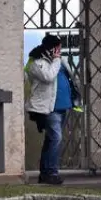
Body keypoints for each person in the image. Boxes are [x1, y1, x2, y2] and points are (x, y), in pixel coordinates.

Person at [24, 33, 78, 186]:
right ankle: (52, 173)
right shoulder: (37, 62)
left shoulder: (59, 60)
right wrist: (56, 60)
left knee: (51, 139)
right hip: (49, 108)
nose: (60, 51)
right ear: (51, 48)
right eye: (58, 48)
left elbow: (70, 77)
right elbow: (48, 76)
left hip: (63, 107)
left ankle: (45, 172)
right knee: (56, 138)